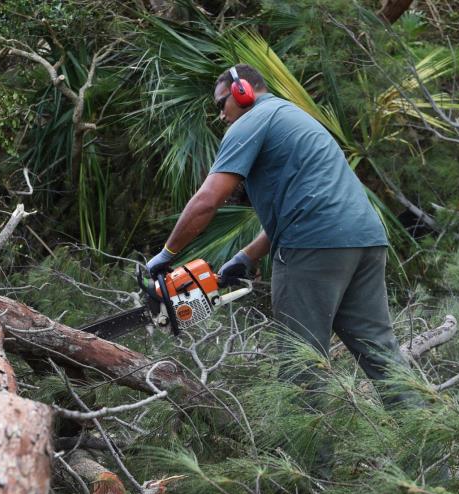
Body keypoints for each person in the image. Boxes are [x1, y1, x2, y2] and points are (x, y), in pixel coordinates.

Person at [146, 64, 414, 406]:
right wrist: (246, 257)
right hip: (364, 240)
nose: (220, 115)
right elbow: (307, 203)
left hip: (313, 244)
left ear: (242, 91)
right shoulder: (292, 117)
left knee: (300, 361)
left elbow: (207, 200)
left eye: (220, 104)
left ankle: (309, 461)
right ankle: (428, 450)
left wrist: (166, 254)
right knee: (381, 352)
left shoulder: (250, 122)